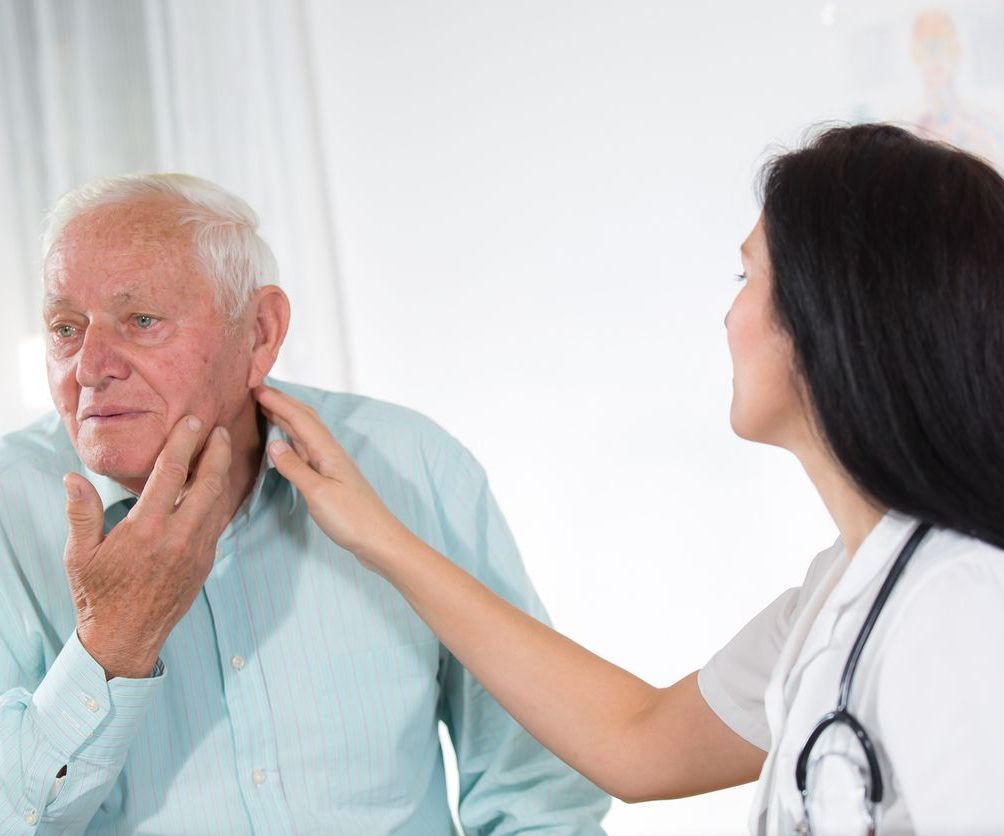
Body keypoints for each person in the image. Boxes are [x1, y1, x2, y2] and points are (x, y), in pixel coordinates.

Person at [255, 123, 1004, 835]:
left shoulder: (958, 603)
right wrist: (382, 539)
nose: (729, 313)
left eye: (748, 275)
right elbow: (637, 742)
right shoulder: (844, 593)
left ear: (833, 317)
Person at [0, 174, 610, 834]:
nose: (89, 366)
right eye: (66, 328)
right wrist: (109, 648)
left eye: (141, 321)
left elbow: (537, 794)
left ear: (260, 332)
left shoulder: (411, 468)